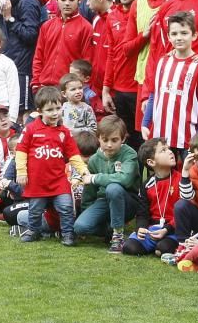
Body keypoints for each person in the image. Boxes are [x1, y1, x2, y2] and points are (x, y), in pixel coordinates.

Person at [15, 86, 88, 245]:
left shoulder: (64, 132)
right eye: (50, 110)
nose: (55, 113)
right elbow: (21, 151)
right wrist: (21, 172)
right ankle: (34, 231)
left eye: (58, 108)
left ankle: (68, 234)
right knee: (35, 210)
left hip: (58, 180)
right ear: (40, 111)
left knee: (66, 206)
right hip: (37, 181)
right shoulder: (31, 130)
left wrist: (83, 171)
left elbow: (74, 155)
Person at [142, 11, 198, 150]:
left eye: (184, 33)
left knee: (187, 172)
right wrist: (145, 123)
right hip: (160, 135)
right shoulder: (162, 62)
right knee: (162, 171)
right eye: (174, 34)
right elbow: (153, 95)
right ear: (168, 37)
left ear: (194, 35)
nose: (179, 38)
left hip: (187, 137)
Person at [74, 116, 139, 252]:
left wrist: (95, 178)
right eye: (105, 140)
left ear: (123, 139)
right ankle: (110, 229)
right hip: (104, 200)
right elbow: (90, 191)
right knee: (80, 227)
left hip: (127, 200)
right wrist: (87, 212)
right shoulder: (94, 160)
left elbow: (125, 179)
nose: (109, 145)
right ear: (99, 139)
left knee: (113, 188)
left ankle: (118, 237)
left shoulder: (129, 154)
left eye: (114, 140)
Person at [31, 0, 93, 91]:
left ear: (79, 0)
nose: (67, 3)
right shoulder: (47, 26)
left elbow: (86, 62)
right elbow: (38, 56)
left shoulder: (86, 28)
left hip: (69, 89)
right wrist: (36, 81)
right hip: (44, 86)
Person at [123, 138, 181, 257]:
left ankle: (160, 246)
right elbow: (142, 212)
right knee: (129, 247)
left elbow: (184, 211)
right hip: (153, 229)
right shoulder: (147, 184)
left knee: (163, 248)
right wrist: (141, 228)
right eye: (163, 150)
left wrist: (166, 229)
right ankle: (155, 245)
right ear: (151, 162)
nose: (170, 152)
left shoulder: (181, 180)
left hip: (173, 229)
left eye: (169, 148)